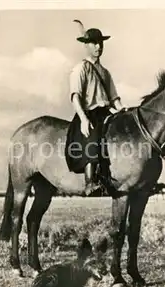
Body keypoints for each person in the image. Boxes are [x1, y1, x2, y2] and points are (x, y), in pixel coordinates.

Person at [68, 27, 124, 196]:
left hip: (106, 112)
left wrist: (125, 112)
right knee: (92, 137)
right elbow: (75, 97)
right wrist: (84, 119)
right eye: (93, 43)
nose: (98, 46)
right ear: (86, 45)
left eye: (100, 43)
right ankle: (90, 182)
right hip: (88, 113)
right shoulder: (80, 69)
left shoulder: (105, 72)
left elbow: (115, 99)